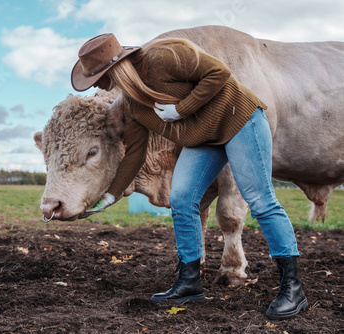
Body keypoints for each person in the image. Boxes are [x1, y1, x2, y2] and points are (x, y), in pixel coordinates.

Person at [70, 33, 308, 320]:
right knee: (181, 197)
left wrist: (181, 109)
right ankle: (189, 282)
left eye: (96, 75)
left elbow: (218, 73)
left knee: (259, 199)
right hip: (205, 138)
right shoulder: (132, 104)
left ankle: (293, 289)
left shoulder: (160, 59)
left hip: (238, 118)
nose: (94, 83)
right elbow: (134, 152)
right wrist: (110, 195)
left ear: (114, 67)